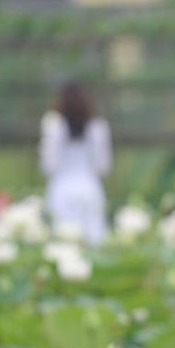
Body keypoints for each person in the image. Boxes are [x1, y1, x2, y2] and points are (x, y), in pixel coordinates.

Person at [39, 82, 112, 246]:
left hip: (62, 189)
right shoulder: (97, 126)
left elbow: (49, 165)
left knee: (63, 242)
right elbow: (103, 167)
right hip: (90, 187)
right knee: (94, 241)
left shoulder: (53, 124)